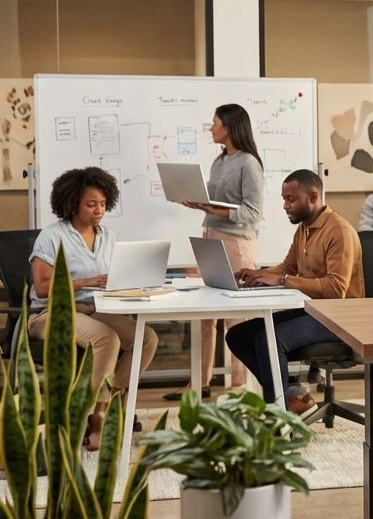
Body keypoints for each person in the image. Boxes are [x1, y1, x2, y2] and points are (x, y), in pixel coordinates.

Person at [28, 167, 158, 450]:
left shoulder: (108, 236)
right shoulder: (52, 236)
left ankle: (109, 399)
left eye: (102, 204)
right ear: (73, 203)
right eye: (91, 204)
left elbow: (112, 277)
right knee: (106, 338)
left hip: (96, 307)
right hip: (52, 312)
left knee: (146, 338)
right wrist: (86, 281)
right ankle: (96, 414)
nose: (99, 210)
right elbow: (41, 287)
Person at [225, 169, 364, 409]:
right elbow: (287, 267)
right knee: (237, 336)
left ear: (313, 197)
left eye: (291, 199)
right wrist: (257, 274)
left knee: (270, 339)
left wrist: (282, 280)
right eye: (284, 199)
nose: (285, 206)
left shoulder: (338, 231)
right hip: (312, 310)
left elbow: (335, 289)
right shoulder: (304, 229)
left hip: (339, 317)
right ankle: (291, 394)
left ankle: (279, 412)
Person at [173, 103, 265, 400]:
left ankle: (238, 386)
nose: (210, 128)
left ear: (229, 127)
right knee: (204, 314)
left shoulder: (249, 163)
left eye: (214, 123)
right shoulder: (219, 161)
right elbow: (217, 201)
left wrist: (215, 210)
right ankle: (200, 381)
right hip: (211, 236)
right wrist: (199, 202)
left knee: (237, 316)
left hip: (236, 242)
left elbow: (253, 212)